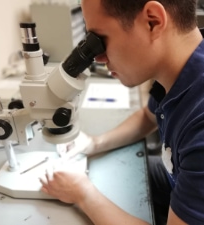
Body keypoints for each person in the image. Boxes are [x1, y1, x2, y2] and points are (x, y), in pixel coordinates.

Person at [39, 0, 204, 224]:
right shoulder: (183, 69)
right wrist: (94, 143)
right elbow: (148, 117)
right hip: (173, 178)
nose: (98, 58)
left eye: (100, 39)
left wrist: (84, 195)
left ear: (152, 22)